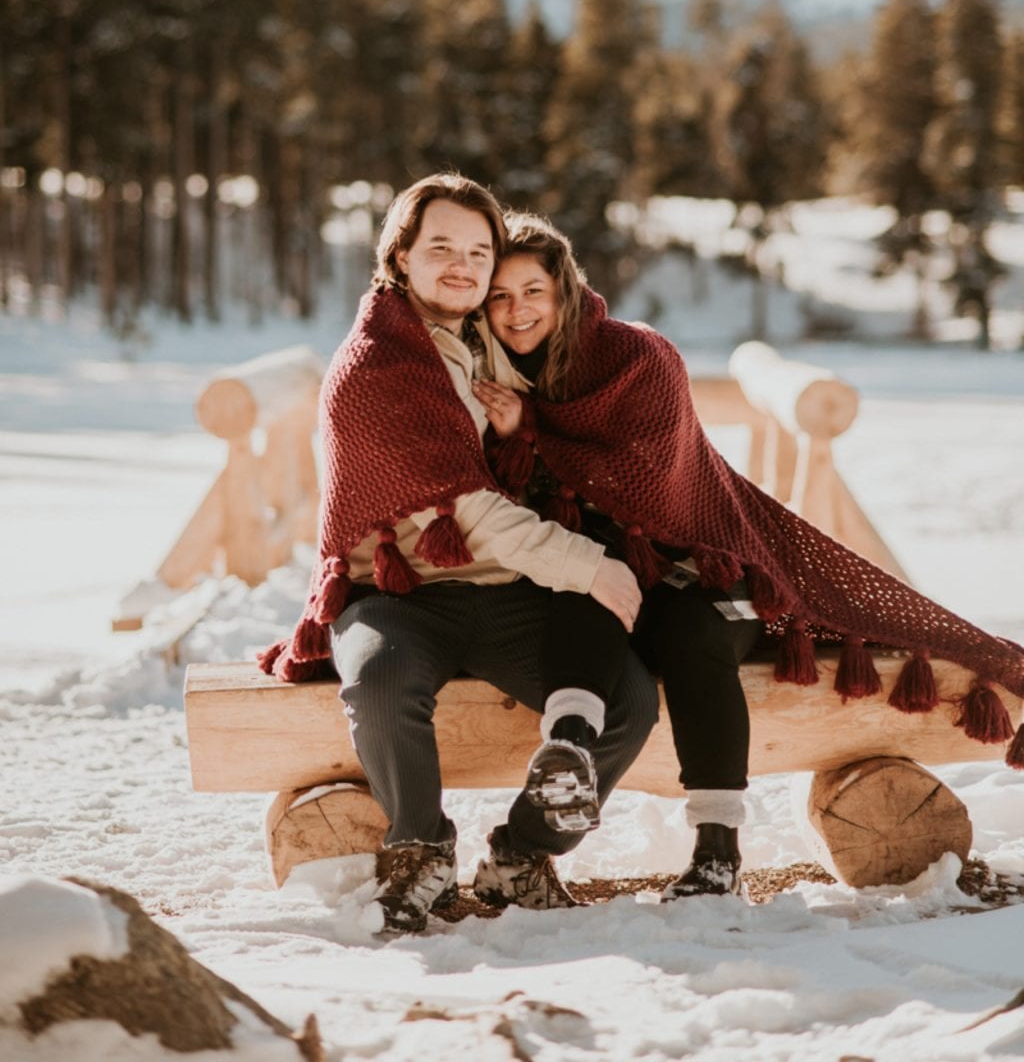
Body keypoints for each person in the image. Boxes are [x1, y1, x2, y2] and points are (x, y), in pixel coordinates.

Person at [474, 213, 1024, 898]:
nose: (518, 309)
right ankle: (568, 756)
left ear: (565, 291)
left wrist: (531, 435)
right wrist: (510, 437)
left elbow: (646, 483)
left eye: (534, 290)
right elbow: (511, 509)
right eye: (499, 296)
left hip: (709, 569)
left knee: (696, 632)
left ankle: (716, 851)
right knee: (588, 595)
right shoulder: (494, 381)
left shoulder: (639, 357)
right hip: (603, 584)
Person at [259, 175, 657, 934]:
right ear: (399, 256)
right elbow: (468, 513)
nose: (462, 265)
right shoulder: (378, 364)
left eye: (479, 250)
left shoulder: (485, 345)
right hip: (399, 596)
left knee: (627, 700)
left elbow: (573, 360)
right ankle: (419, 851)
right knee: (379, 683)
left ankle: (522, 853)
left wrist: (518, 432)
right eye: (440, 246)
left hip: (504, 595)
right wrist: (594, 567)